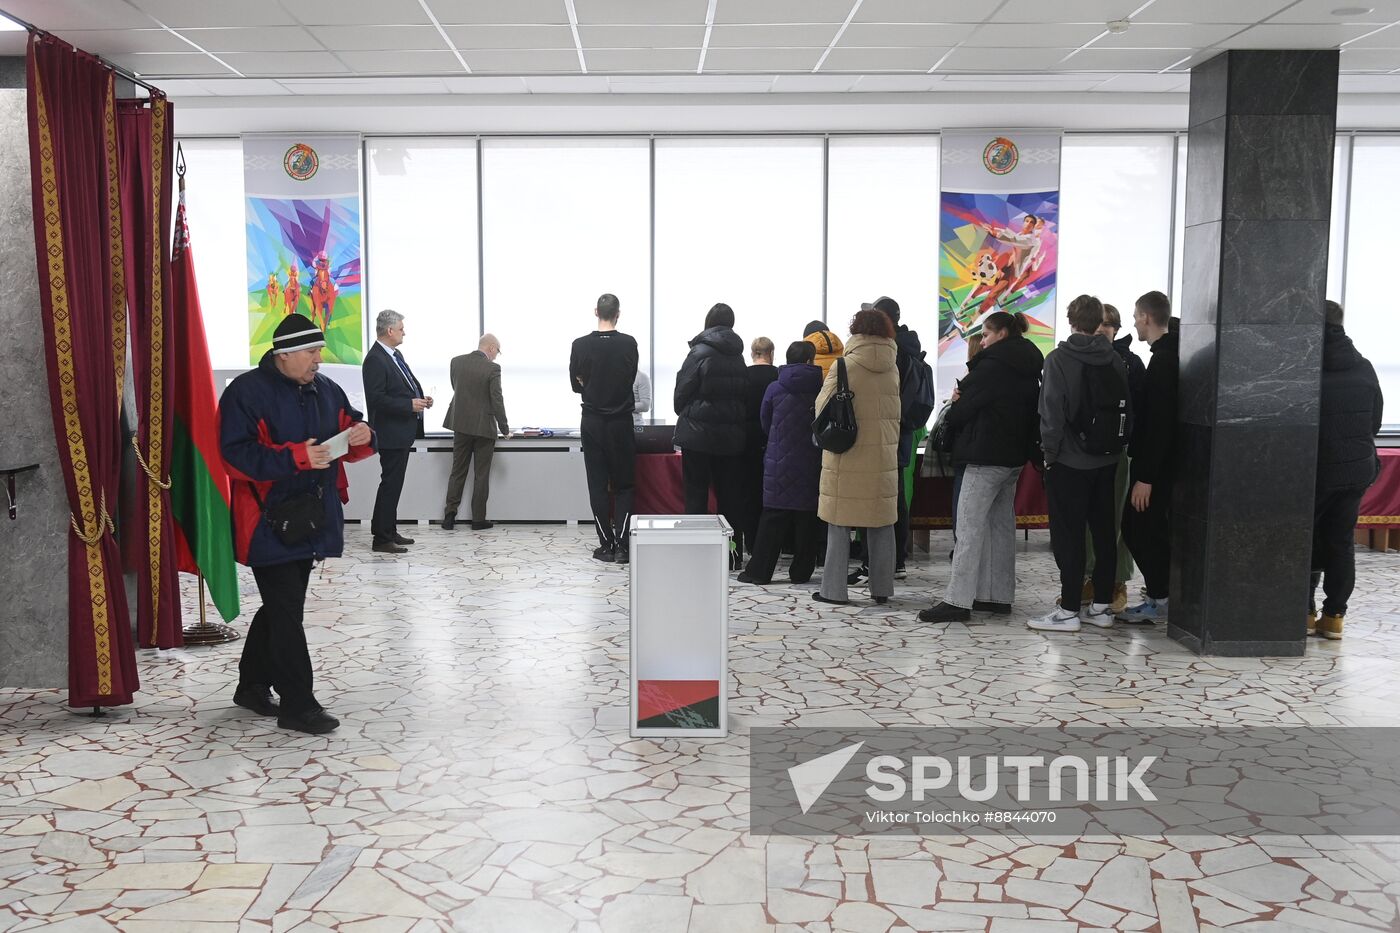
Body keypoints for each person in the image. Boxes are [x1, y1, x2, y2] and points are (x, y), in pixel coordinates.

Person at [220, 314, 375, 734]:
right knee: (287, 611)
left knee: (282, 607)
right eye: (310, 351)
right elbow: (234, 456)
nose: (318, 359)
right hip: (267, 521)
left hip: (312, 517)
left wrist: (363, 434)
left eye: (319, 351)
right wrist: (295, 458)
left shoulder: (327, 390)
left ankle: (251, 685)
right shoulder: (245, 393)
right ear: (283, 354)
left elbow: (351, 425)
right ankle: (298, 705)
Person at [919, 311, 1043, 623]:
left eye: (986, 334)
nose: (982, 341)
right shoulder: (1029, 366)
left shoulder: (992, 367)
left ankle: (957, 600)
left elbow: (960, 413)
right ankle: (998, 596)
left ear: (1001, 333)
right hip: (1012, 458)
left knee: (968, 527)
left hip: (983, 455)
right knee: (1001, 527)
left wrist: (958, 400)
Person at [1029, 294, 1131, 633]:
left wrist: (1050, 455)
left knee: (1069, 536)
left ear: (1072, 320)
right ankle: (1102, 607)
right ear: (1098, 322)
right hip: (1107, 459)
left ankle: (1070, 609)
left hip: (1070, 462)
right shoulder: (1113, 359)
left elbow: (1051, 413)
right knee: (1104, 533)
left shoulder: (1058, 359)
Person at [815, 310, 901, 606]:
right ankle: (882, 589)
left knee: (839, 523)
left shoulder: (844, 365)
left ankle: (834, 591)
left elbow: (821, 408)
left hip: (847, 455)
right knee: (880, 523)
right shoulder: (892, 366)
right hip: (882, 456)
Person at [1310, 301, 1383, 640]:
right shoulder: (1363, 366)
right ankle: (1335, 616)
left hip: (1317, 470)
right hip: (1356, 471)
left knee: (1305, 537)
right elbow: (1375, 422)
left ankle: (1302, 610)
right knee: (1341, 541)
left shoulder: (1307, 368)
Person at [1078, 302, 1147, 612]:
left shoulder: (1131, 363)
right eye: (1098, 324)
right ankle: (1092, 577)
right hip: (1087, 451)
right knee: (1090, 518)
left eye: (1108, 324)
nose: (1102, 329)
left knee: (1115, 519)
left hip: (1121, 451)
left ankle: (1117, 581)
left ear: (1116, 329)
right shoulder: (1081, 360)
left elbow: (1142, 411)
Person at [851, 296, 925, 583]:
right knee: (895, 499)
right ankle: (896, 561)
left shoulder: (892, 352)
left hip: (883, 434)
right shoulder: (909, 348)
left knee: (877, 498)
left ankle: (874, 562)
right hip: (902, 433)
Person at [739, 341, 824, 585]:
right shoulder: (820, 388)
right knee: (807, 517)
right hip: (811, 459)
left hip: (779, 458)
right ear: (810, 360)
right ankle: (801, 572)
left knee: (773, 515)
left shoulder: (775, 388)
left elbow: (765, 422)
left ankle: (760, 572)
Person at [1117, 290, 1178, 624]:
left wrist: (1146, 478)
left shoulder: (1164, 361)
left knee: (1140, 529)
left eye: (1136, 316)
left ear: (1146, 317)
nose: (1135, 323)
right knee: (1142, 529)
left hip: (1154, 469)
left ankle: (1161, 596)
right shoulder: (1166, 354)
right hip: (1155, 466)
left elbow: (1160, 423)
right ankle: (1160, 592)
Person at [674, 303, 748, 563]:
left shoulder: (698, 352)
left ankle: (697, 554)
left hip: (698, 434)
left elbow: (681, 393)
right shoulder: (739, 357)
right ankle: (733, 555)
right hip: (731, 437)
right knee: (730, 497)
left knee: (696, 495)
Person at [570, 294, 640, 562]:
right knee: (624, 485)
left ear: (595, 311)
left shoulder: (580, 345)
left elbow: (576, 385)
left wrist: (587, 382)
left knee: (597, 485)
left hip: (592, 421)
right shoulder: (628, 344)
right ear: (618, 314)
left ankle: (606, 544)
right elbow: (630, 378)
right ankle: (622, 545)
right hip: (621, 421)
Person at [362, 309, 431, 554]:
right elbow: (376, 399)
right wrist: (407, 405)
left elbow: (405, 385)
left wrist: (420, 399)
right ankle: (381, 538)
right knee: (390, 484)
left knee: (394, 483)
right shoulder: (375, 359)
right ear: (389, 331)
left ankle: (388, 530)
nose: (404, 332)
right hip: (390, 432)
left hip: (402, 430)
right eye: (401, 329)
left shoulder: (394, 354)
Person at [442, 334, 509, 531]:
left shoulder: (456, 362)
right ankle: (478, 519)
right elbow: (497, 399)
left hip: (460, 424)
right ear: (490, 348)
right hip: (483, 428)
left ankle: (449, 516)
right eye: (497, 351)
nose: (496, 356)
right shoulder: (492, 368)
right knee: (481, 474)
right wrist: (504, 428)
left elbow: (458, 388)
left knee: (457, 471)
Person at [740, 336, 780, 559]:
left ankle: (751, 542)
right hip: (772, 438)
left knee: (748, 492)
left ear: (752, 353)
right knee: (771, 494)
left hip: (746, 440)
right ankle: (771, 545)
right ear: (772, 353)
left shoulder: (743, 376)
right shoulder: (778, 377)